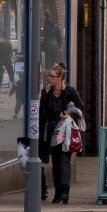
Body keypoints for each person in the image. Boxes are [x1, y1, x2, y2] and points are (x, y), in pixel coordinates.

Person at [39, 62, 84, 204]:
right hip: (52, 132)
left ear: (60, 78)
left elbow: (80, 108)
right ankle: (57, 193)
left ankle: (65, 192)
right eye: (49, 76)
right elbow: (42, 113)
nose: (50, 79)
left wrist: (69, 116)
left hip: (66, 131)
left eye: (53, 76)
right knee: (56, 163)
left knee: (65, 161)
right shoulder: (46, 93)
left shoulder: (70, 92)